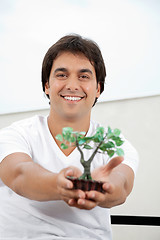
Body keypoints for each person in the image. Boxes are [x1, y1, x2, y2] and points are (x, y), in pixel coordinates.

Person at [0, 34, 139, 239]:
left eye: (83, 76)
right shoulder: (16, 134)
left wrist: (102, 189)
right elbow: (19, 174)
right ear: (46, 85)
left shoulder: (114, 142)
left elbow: (122, 184)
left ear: (98, 88)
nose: (72, 85)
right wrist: (59, 184)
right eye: (62, 75)